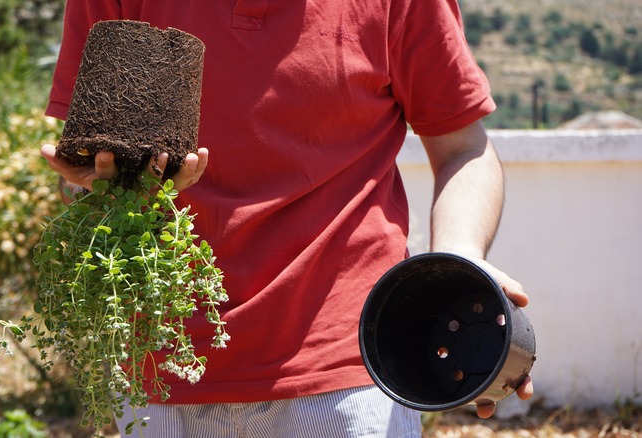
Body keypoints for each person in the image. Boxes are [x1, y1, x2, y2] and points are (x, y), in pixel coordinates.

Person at [40, 1, 534, 436]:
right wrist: (103, 188)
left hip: (348, 368)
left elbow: (462, 146)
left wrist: (460, 261)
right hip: (163, 363)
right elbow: (89, 169)